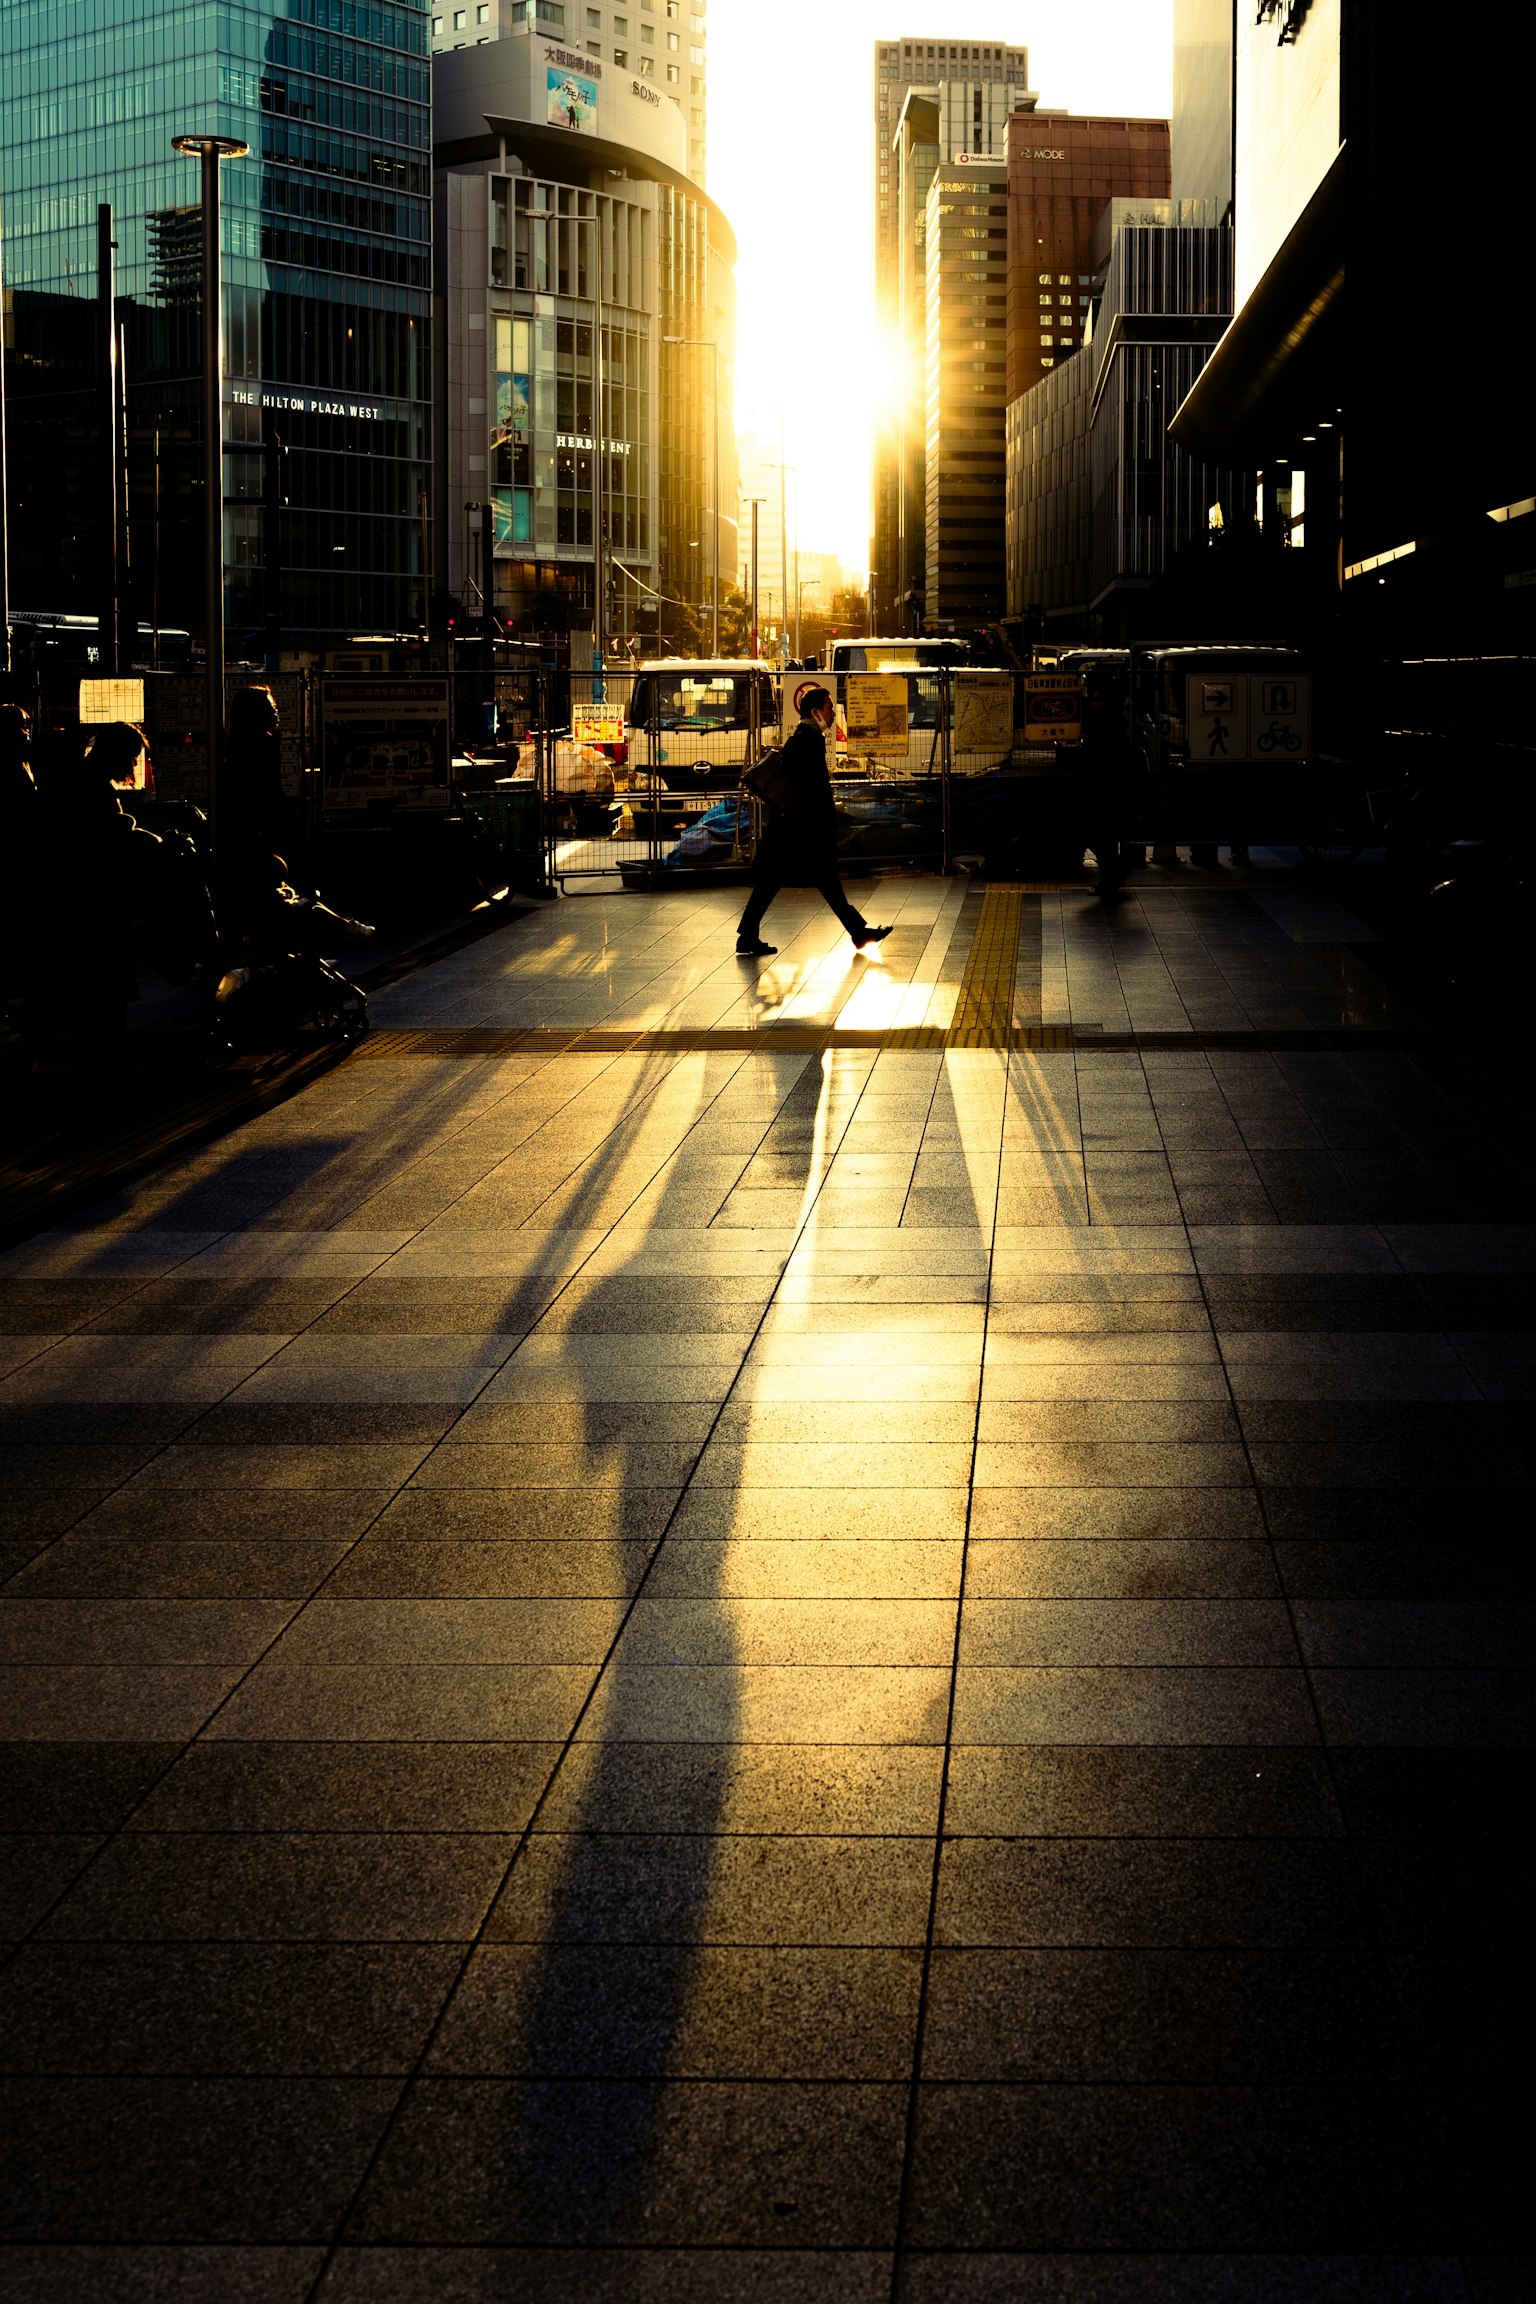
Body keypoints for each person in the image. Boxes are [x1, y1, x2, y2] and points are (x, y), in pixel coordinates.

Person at [736, 684, 892, 957]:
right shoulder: (808, 740)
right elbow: (811, 788)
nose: (832, 713)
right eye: (829, 708)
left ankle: (858, 932)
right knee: (813, 881)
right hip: (801, 829)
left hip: (793, 828)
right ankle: (858, 933)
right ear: (816, 711)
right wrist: (826, 819)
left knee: (792, 881)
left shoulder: (804, 738)